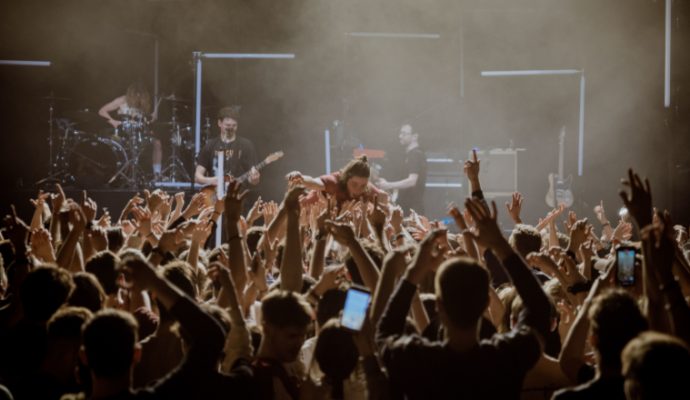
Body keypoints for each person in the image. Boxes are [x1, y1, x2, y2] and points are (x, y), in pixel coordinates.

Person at [375, 199, 552, 399]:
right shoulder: (505, 358)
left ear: (439, 305)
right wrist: (500, 243)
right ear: (486, 302)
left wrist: (413, 272)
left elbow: (384, 332)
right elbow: (539, 308)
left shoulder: (418, 361)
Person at [98, 82, 163, 179]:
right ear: (131, 94)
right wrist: (113, 122)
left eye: (141, 96)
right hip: (123, 133)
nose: (138, 98)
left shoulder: (143, 105)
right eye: (136, 95)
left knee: (157, 143)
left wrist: (151, 119)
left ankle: (157, 174)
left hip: (138, 133)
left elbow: (144, 121)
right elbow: (102, 111)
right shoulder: (122, 100)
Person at [286, 155, 387, 207]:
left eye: (362, 185)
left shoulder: (366, 188)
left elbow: (383, 197)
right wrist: (301, 178)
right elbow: (314, 182)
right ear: (346, 178)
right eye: (354, 184)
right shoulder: (334, 182)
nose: (358, 189)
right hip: (305, 212)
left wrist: (384, 204)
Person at [195, 106, 260, 186]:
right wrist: (213, 180)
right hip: (215, 195)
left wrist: (254, 179)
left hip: (238, 195)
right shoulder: (210, 145)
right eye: (228, 125)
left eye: (234, 125)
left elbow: (254, 180)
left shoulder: (246, 145)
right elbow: (197, 177)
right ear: (219, 123)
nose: (231, 128)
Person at [377, 123, 427, 213]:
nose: (400, 136)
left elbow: (412, 181)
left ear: (414, 136)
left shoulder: (415, 155)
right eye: (400, 133)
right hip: (409, 207)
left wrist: (388, 185)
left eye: (404, 134)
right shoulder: (411, 155)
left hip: (412, 209)